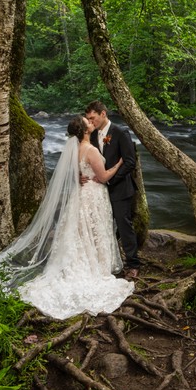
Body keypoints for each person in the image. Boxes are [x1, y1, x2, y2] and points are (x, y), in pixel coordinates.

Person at [0, 116, 134, 319]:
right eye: (88, 122)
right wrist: (118, 165)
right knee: (94, 229)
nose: (92, 123)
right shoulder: (90, 150)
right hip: (93, 195)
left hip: (81, 194)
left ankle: (91, 262)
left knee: (82, 230)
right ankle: (97, 266)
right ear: (84, 130)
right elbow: (103, 177)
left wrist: (78, 176)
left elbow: (71, 173)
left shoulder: (75, 149)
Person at [84, 100, 142, 279]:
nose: (90, 122)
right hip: (97, 191)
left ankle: (133, 264)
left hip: (120, 188)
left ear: (103, 114)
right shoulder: (91, 136)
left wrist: (109, 179)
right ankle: (105, 262)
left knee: (124, 226)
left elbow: (130, 162)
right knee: (102, 226)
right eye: (88, 119)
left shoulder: (120, 132)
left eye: (92, 118)